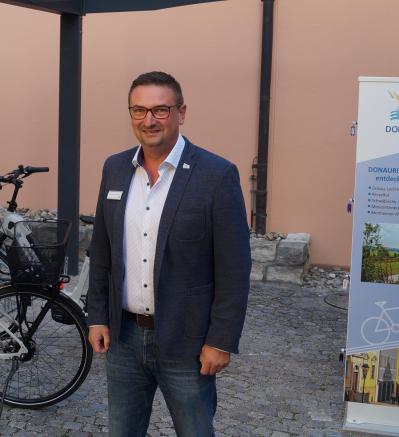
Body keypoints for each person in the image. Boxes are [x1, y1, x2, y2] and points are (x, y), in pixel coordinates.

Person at [85, 71, 251, 436]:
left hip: (187, 342)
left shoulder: (216, 175)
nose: (149, 120)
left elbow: (234, 269)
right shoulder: (115, 168)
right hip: (124, 338)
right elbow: (102, 251)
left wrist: (220, 340)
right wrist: (97, 316)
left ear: (181, 113)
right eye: (139, 110)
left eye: (160, 110)